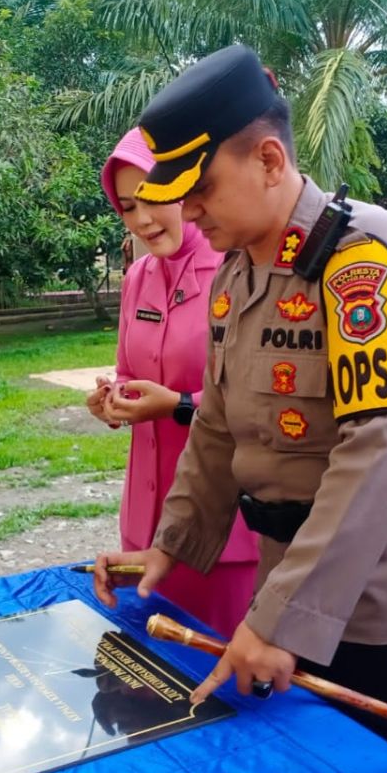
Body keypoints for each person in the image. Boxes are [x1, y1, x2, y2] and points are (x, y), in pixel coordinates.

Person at [91, 45, 387, 773]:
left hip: (385, 596)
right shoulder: (237, 271)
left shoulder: (363, 254)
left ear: (269, 160)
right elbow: (216, 428)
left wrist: (279, 619)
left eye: (198, 187)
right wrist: (167, 548)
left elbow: (379, 448)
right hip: (291, 577)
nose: (187, 208)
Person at [84, 128, 258, 637]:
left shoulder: (237, 269)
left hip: (221, 524)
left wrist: (178, 404)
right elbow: (127, 369)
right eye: (125, 207)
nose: (141, 219)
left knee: (221, 679)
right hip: (146, 513)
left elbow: (256, 398)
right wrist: (112, 398)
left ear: (183, 188)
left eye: (152, 199)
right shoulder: (138, 276)